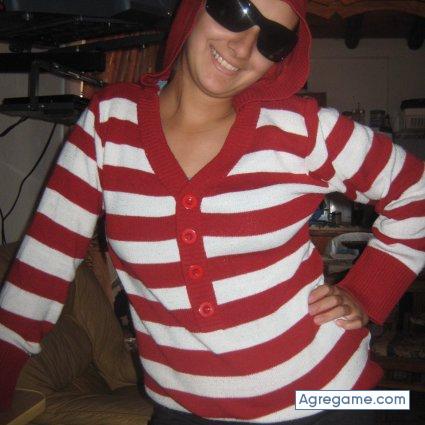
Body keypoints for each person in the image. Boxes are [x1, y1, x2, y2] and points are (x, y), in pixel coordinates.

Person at [1, 0, 424, 424]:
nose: (243, 48)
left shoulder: (303, 130)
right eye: (236, 12)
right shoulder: (109, 124)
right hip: (182, 411)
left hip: (330, 400)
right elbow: (45, 257)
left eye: (273, 40)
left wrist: (367, 291)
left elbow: (416, 191)